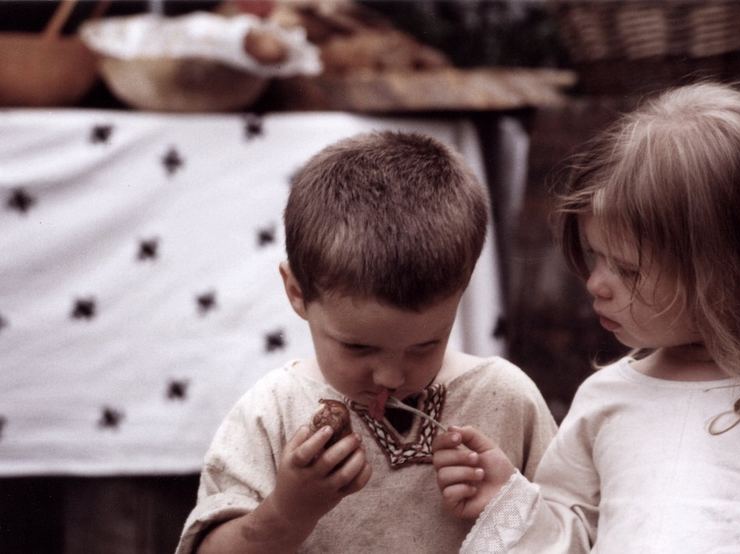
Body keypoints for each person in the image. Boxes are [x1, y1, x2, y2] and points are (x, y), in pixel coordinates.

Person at [432, 82, 740, 552]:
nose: (595, 284)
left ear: (728, 270)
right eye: (594, 255)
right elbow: (574, 539)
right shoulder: (607, 399)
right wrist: (507, 502)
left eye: (627, 269)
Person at [175, 130, 557, 553]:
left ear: (462, 292)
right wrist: (289, 511)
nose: (391, 376)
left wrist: (510, 506)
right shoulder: (273, 414)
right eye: (359, 348)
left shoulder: (506, 400)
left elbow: (577, 537)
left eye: (424, 346)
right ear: (297, 293)